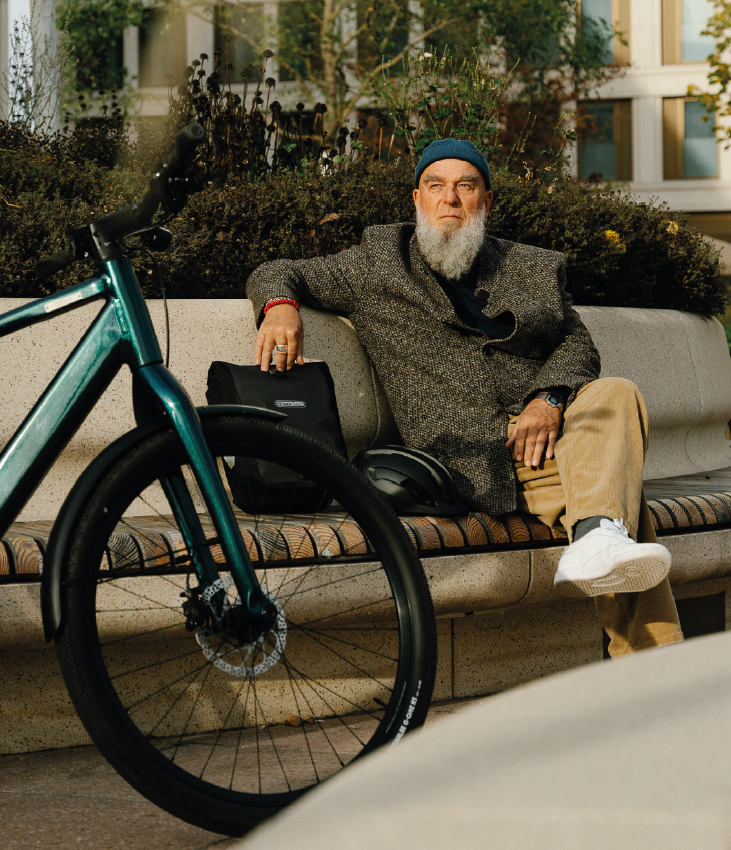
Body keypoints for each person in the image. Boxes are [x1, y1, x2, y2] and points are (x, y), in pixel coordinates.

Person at [247, 138, 682, 656]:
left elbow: (577, 344)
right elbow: (277, 270)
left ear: (486, 200)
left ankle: (599, 545)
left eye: (465, 185)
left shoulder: (531, 266)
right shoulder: (377, 263)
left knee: (615, 394)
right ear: (417, 199)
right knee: (621, 508)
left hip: (550, 442)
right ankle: (650, 655)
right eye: (436, 185)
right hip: (466, 458)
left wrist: (547, 400)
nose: (449, 198)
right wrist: (280, 308)